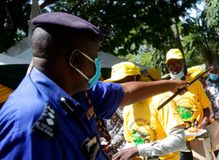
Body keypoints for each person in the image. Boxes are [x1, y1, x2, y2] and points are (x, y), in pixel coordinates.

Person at [0, 12, 187, 160]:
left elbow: (126, 92)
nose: (97, 66)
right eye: (94, 59)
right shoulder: (29, 120)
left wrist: (171, 84)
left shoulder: (78, 91)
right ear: (76, 61)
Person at [107, 62, 185, 160]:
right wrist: (124, 152)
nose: (119, 90)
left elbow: (178, 140)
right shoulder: (128, 108)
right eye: (116, 86)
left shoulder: (161, 99)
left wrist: (139, 150)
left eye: (122, 84)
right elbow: (131, 141)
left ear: (136, 79)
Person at [165, 48, 211, 160]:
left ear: (182, 63)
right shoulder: (165, 88)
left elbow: (207, 109)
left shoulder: (195, 84)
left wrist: (203, 124)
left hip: (198, 138)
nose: (174, 67)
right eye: (171, 64)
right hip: (179, 142)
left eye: (177, 63)